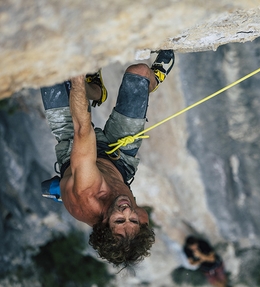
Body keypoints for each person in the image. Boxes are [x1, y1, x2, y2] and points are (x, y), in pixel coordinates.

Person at [40, 50, 175, 268]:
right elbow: (130, 218)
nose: (127, 210)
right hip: (119, 162)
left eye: (119, 220)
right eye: (133, 220)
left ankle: (89, 88)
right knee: (139, 73)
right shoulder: (139, 220)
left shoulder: (88, 192)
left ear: (104, 222)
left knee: (52, 72)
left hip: (74, 146)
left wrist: (77, 74)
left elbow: (82, 129)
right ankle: (103, 90)